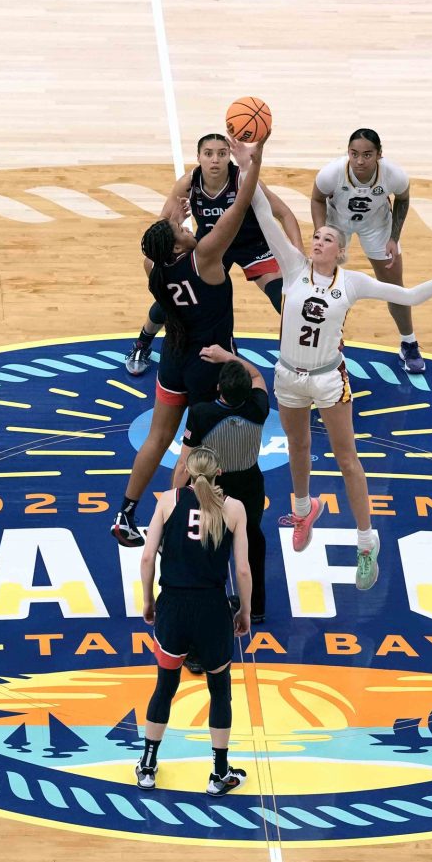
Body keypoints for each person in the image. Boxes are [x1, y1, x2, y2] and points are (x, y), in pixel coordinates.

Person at [244, 180, 432, 591]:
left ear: (341, 250)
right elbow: (262, 212)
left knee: (347, 460)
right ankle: (302, 510)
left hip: (329, 378)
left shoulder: (353, 283)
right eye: (315, 236)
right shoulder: (294, 267)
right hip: (288, 375)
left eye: (327, 238)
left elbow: (410, 295)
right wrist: (249, 161)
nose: (317, 241)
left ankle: (367, 543)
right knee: (298, 446)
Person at [112, 137, 264, 547]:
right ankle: (193, 518)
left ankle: (126, 512)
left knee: (157, 438)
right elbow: (239, 205)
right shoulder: (208, 257)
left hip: (174, 357)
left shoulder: (154, 267)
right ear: (179, 243)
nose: (188, 228)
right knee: (204, 451)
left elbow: (154, 239)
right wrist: (254, 159)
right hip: (209, 359)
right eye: (183, 229)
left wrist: (170, 213)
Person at [124, 134, 299, 377]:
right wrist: (174, 219)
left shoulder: (243, 179)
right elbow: (162, 225)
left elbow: (285, 214)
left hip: (252, 245)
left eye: (221, 153)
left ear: (229, 156)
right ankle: (142, 343)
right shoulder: (188, 183)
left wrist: (298, 256)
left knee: (285, 299)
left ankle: (308, 353)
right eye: (208, 154)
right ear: (198, 158)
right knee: (175, 294)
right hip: (212, 247)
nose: (215, 160)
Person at [133, 447, 253, 796]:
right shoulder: (234, 508)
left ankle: (148, 766)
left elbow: (145, 558)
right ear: (219, 473)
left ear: (186, 470)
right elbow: (242, 569)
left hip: (173, 606)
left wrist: (148, 599)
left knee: (165, 686)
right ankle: (219, 774)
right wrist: (244, 611)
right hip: (213, 609)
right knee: (220, 691)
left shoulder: (168, 500)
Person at [173, 346, 272, 624]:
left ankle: (207, 601)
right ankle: (257, 607)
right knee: (252, 540)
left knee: (206, 543)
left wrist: (174, 498)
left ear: (219, 388)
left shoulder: (201, 413)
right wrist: (229, 357)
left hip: (213, 486)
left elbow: (183, 464)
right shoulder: (258, 407)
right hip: (251, 484)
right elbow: (257, 376)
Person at [312, 129, 421, 372]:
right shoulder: (332, 173)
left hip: (377, 225)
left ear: (379, 155)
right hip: (337, 223)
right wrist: (323, 234)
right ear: (348, 153)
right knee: (324, 285)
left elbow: (403, 199)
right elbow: (317, 198)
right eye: (354, 154)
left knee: (394, 287)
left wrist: (394, 237)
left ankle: (409, 343)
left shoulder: (394, 175)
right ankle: (324, 345)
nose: (360, 161)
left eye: (367, 155)